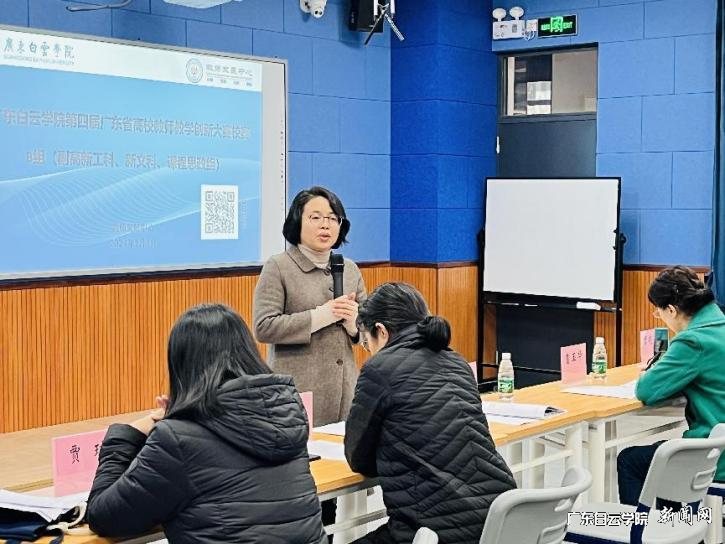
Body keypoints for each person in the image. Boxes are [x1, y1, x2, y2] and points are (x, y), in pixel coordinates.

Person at [86, 304, 326, 544]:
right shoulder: (284, 414)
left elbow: (104, 517)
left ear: (182, 364)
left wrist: (130, 433)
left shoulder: (178, 438)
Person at [344, 282, 516, 543]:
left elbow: (359, 460)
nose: (369, 352)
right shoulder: (457, 362)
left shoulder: (380, 369)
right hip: (500, 520)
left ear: (381, 331)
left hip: (434, 531)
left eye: (367, 343)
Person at [254, 186, 366, 426]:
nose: (325, 225)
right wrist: (319, 316)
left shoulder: (350, 269)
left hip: (345, 390)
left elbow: (368, 334)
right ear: (297, 222)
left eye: (333, 218)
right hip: (297, 391)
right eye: (316, 217)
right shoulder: (279, 267)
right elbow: (264, 327)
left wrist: (354, 325)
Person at [618, 265, 725, 506]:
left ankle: (649, 527)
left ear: (671, 310)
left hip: (715, 456)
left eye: (659, 312)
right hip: (720, 442)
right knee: (667, 455)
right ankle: (677, 525)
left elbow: (646, 390)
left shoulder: (692, 340)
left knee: (630, 460)